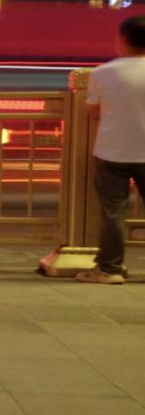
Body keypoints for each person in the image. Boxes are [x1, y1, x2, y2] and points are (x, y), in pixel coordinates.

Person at [76, 16, 145, 285]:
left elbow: (94, 113)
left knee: (113, 212)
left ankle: (110, 269)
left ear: (123, 40)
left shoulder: (104, 73)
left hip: (112, 151)